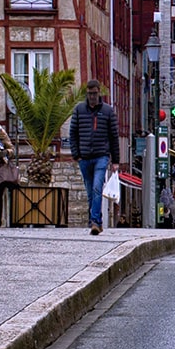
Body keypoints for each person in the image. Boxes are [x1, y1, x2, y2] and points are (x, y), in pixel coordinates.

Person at [68, 79, 120, 235]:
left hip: (101, 156)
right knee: (91, 192)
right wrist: (76, 154)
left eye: (94, 93)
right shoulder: (79, 110)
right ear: (87, 93)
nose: (92, 96)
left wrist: (115, 160)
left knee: (97, 187)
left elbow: (114, 136)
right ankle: (96, 220)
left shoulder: (107, 111)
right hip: (84, 157)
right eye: (90, 93)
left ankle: (95, 222)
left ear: (99, 93)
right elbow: (73, 134)